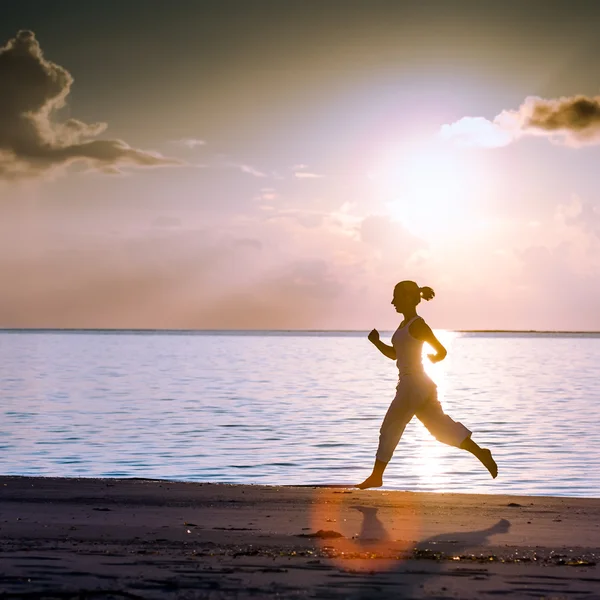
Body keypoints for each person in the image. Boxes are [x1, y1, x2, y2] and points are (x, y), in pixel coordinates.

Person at [357, 280, 498, 490]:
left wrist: (434, 357)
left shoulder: (418, 324)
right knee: (440, 430)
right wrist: (377, 342)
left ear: (408, 298)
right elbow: (396, 354)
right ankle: (480, 452)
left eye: (396, 296)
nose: (392, 301)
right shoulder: (404, 325)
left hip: (413, 384)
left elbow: (441, 350)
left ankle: (377, 476)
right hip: (417, 385)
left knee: (390, 427)